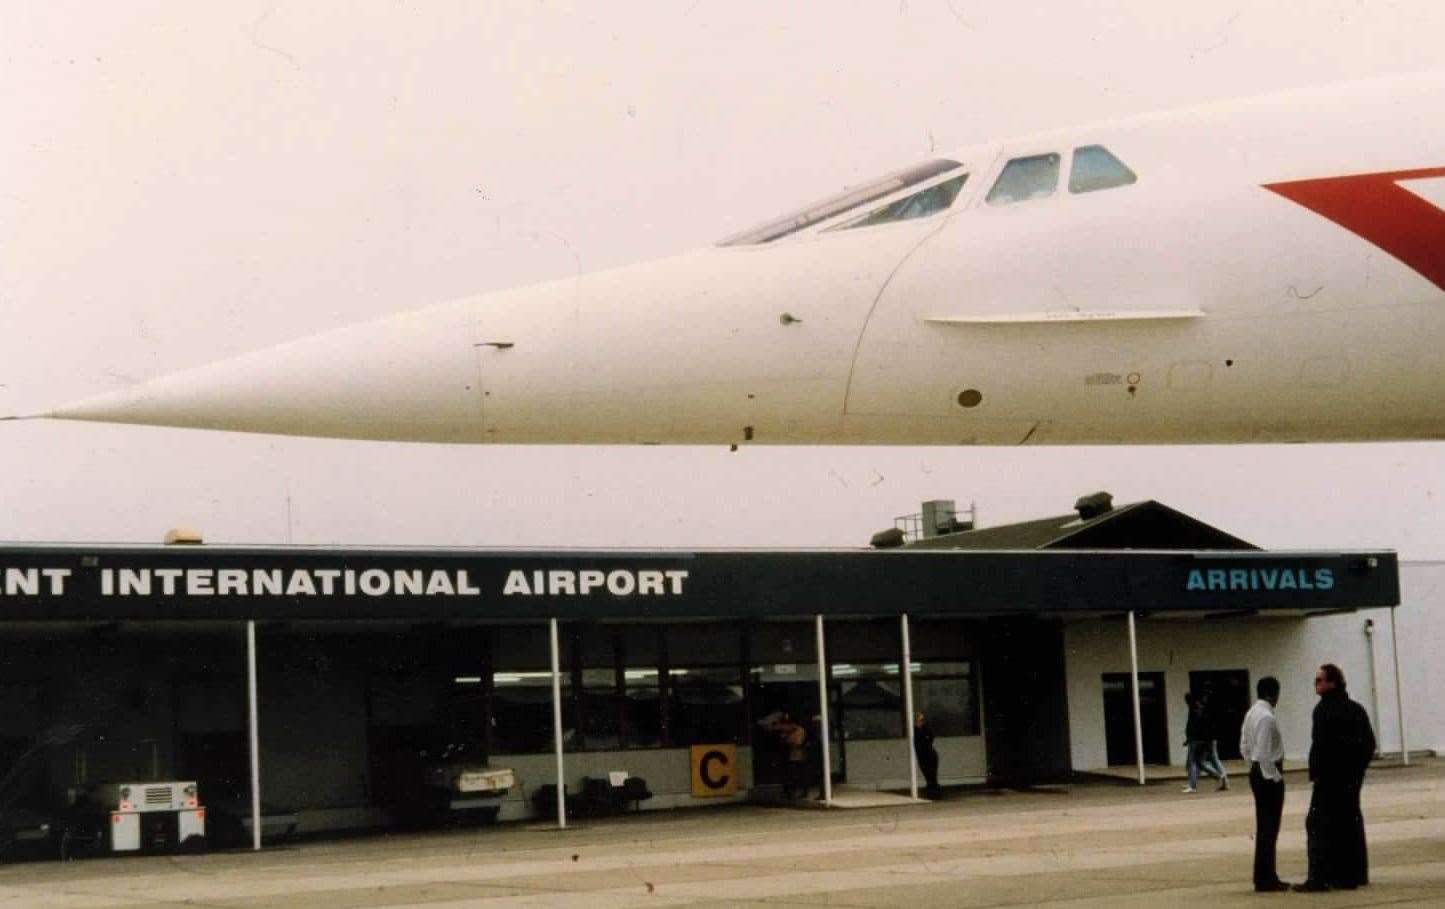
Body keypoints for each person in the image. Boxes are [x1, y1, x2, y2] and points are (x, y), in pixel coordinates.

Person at [1295, 663, 1377, 893]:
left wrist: (1319, 772)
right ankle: (1351, 875)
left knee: (1317, 825)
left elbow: (1321, 746)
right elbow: (1368, 744)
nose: (1316, 684)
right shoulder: (1355, 709)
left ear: (1332, 682)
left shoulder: (1323, 710)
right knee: (1348, 824)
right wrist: (1357, 771)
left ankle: (1319, 878)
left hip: (1329, 779)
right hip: (1349, 779)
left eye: (1320, 680)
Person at [1240, 676, 1289, 892]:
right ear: (1273, 694)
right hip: (1267, 774)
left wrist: (1251, 765)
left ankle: (1264, 875)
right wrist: (1275, 776)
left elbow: (1244, 746)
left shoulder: (1251, 713)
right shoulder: (1267, 717)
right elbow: (1264, 753)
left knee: (1264, 828)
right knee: (1270, 828)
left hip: (1256, 771)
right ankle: (1266, 877)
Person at [1182, 692, 1225, 793]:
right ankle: (1193, 782)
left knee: (1194, 762)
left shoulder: (1196, 711)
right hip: (1199, 740)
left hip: (1197, 740)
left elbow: (1194, 727)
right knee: (1197, 762)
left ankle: (1194, 784)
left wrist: (1193, 739)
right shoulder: (1197, 710)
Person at [1200, 692, 1230, 791]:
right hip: (1212, 738)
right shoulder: (1213, 712)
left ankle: (1219, 777)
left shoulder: (1206, 712)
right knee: (1215, 760)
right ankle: (1224, 780)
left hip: (1208, 739)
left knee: (1202, 762)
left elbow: (1205, 727)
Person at [913, 712, 941, 799]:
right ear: (916, 720)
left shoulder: (925, 728)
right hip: (922, 755)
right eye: (920, 720)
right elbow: (916, 742)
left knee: (932, 775)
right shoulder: (914, 730)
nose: (922, 722)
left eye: (922, 720)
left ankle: (934, 793)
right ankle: (931, 792)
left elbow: (931, 736)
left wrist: (927, 742)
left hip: (930, 754)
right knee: (927, 774)